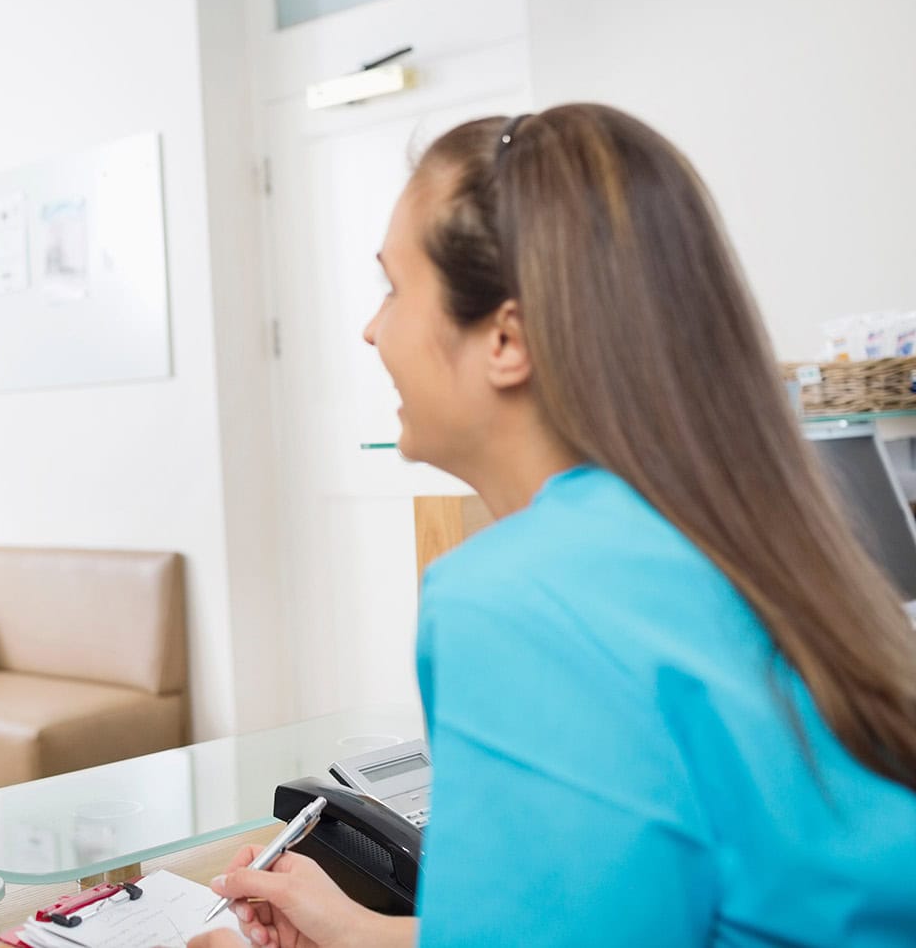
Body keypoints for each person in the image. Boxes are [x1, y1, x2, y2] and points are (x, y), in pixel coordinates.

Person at [191, 104, 916, 947]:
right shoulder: (735, 530)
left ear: (506, 336)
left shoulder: (518, 595)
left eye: (393, 287)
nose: (371, 327)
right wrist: (356, 932)